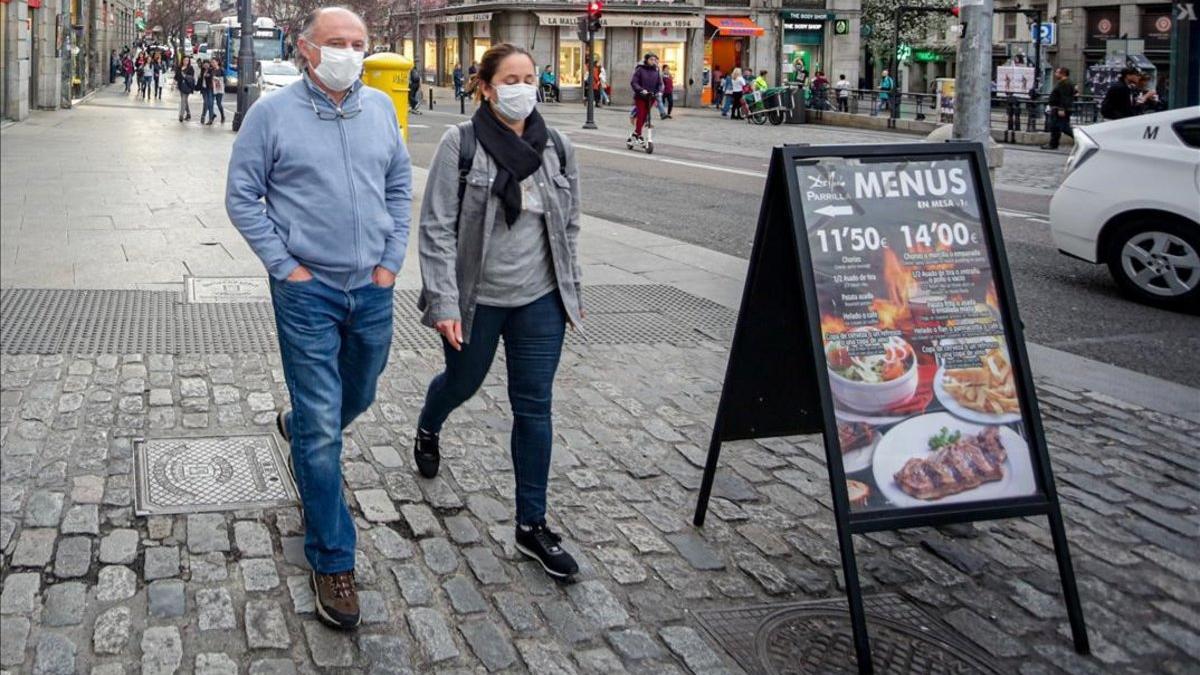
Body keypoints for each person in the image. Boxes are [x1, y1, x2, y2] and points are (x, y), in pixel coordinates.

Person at [225, 6, 412, 630]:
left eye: (360, 43)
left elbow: (397, 184)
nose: (352, 52)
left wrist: (390, 262)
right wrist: (285, 266)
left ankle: (299, 423)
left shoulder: (381, 110)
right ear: (307, 49)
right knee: (326, 431)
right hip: (308, 290)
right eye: (339, 42)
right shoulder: (271, 115)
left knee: (356, 392)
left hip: (373, 288)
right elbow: (241, 194)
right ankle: (333, 558)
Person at [415, 42, 582, 580]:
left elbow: (569, 223)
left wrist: (566, 289)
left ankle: (532, 524)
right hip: (476, 300)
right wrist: (444, 303)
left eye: (529, 78)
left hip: (539, 301)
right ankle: (429, 423)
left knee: (534, 406)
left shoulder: (556, 145)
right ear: (486, 87)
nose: (523, 88)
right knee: (462, 383)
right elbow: (437, 227)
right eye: (511, 79)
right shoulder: (460, 144)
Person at [630, 52, 662, 140]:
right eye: (651, 59)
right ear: (646, 60)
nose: (653, 61)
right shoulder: (640, 69)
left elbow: (659, 83)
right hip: (641, 96)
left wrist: (659, 91)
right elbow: (634, 82)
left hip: (651, 97)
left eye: (655, 60)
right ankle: (638, 134)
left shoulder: (656, 70)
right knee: (641, 114)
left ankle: (636, 132)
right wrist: (641, 90)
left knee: (645, 115)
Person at [1041, 67, 1075, 150]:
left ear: (1062, 74)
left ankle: (1080, 138)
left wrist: (1061, 109)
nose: (1055, 74)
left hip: (1060, 109)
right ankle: (1053, 144)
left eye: (1057, 72)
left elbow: (1064, 97)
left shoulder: (1065, 83)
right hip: (1056, 108)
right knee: (1054, 127)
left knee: (1064, 127)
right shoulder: (1064, 83)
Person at [175, 57, 196, 122]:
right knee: (185, 100)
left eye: (187, 60)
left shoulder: (190, 68)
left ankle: (181, 115)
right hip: (181, 86)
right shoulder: (179, 67)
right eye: (184, 60)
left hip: (187, 86)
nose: (186, 61)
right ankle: (188, 113)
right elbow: (176, 76)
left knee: (183, 100)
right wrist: (173, 84)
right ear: (182, 61)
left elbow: (192, 77)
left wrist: (185, 76)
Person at [209, 58, 226, 124]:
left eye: (213, 62)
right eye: (211, 62)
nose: (212, 64)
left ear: (217, 62)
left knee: (219, 103)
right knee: (210, 103)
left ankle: (222, 116)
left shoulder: (221, 70)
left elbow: (224, 79)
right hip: (212, 88)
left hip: (219, 88)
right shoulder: (211, 70)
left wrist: (217, 78)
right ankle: (212, 116)